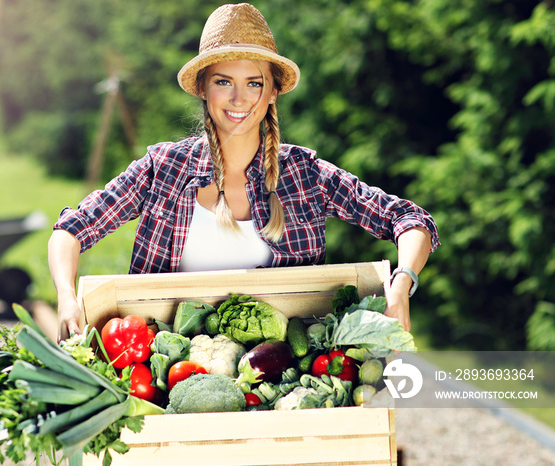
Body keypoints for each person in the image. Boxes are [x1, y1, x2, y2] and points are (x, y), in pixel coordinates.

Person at [49, 3, 440, 342]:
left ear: (271, 92)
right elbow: (71, 229)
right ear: (203, 88)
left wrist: (401, 285)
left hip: (280, 380)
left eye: (254, 83)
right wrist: (67, 298)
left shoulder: (304, 175)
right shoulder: (163, 169)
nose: (239, 99)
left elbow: (410, 219)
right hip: (163, 378)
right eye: (224, 82)